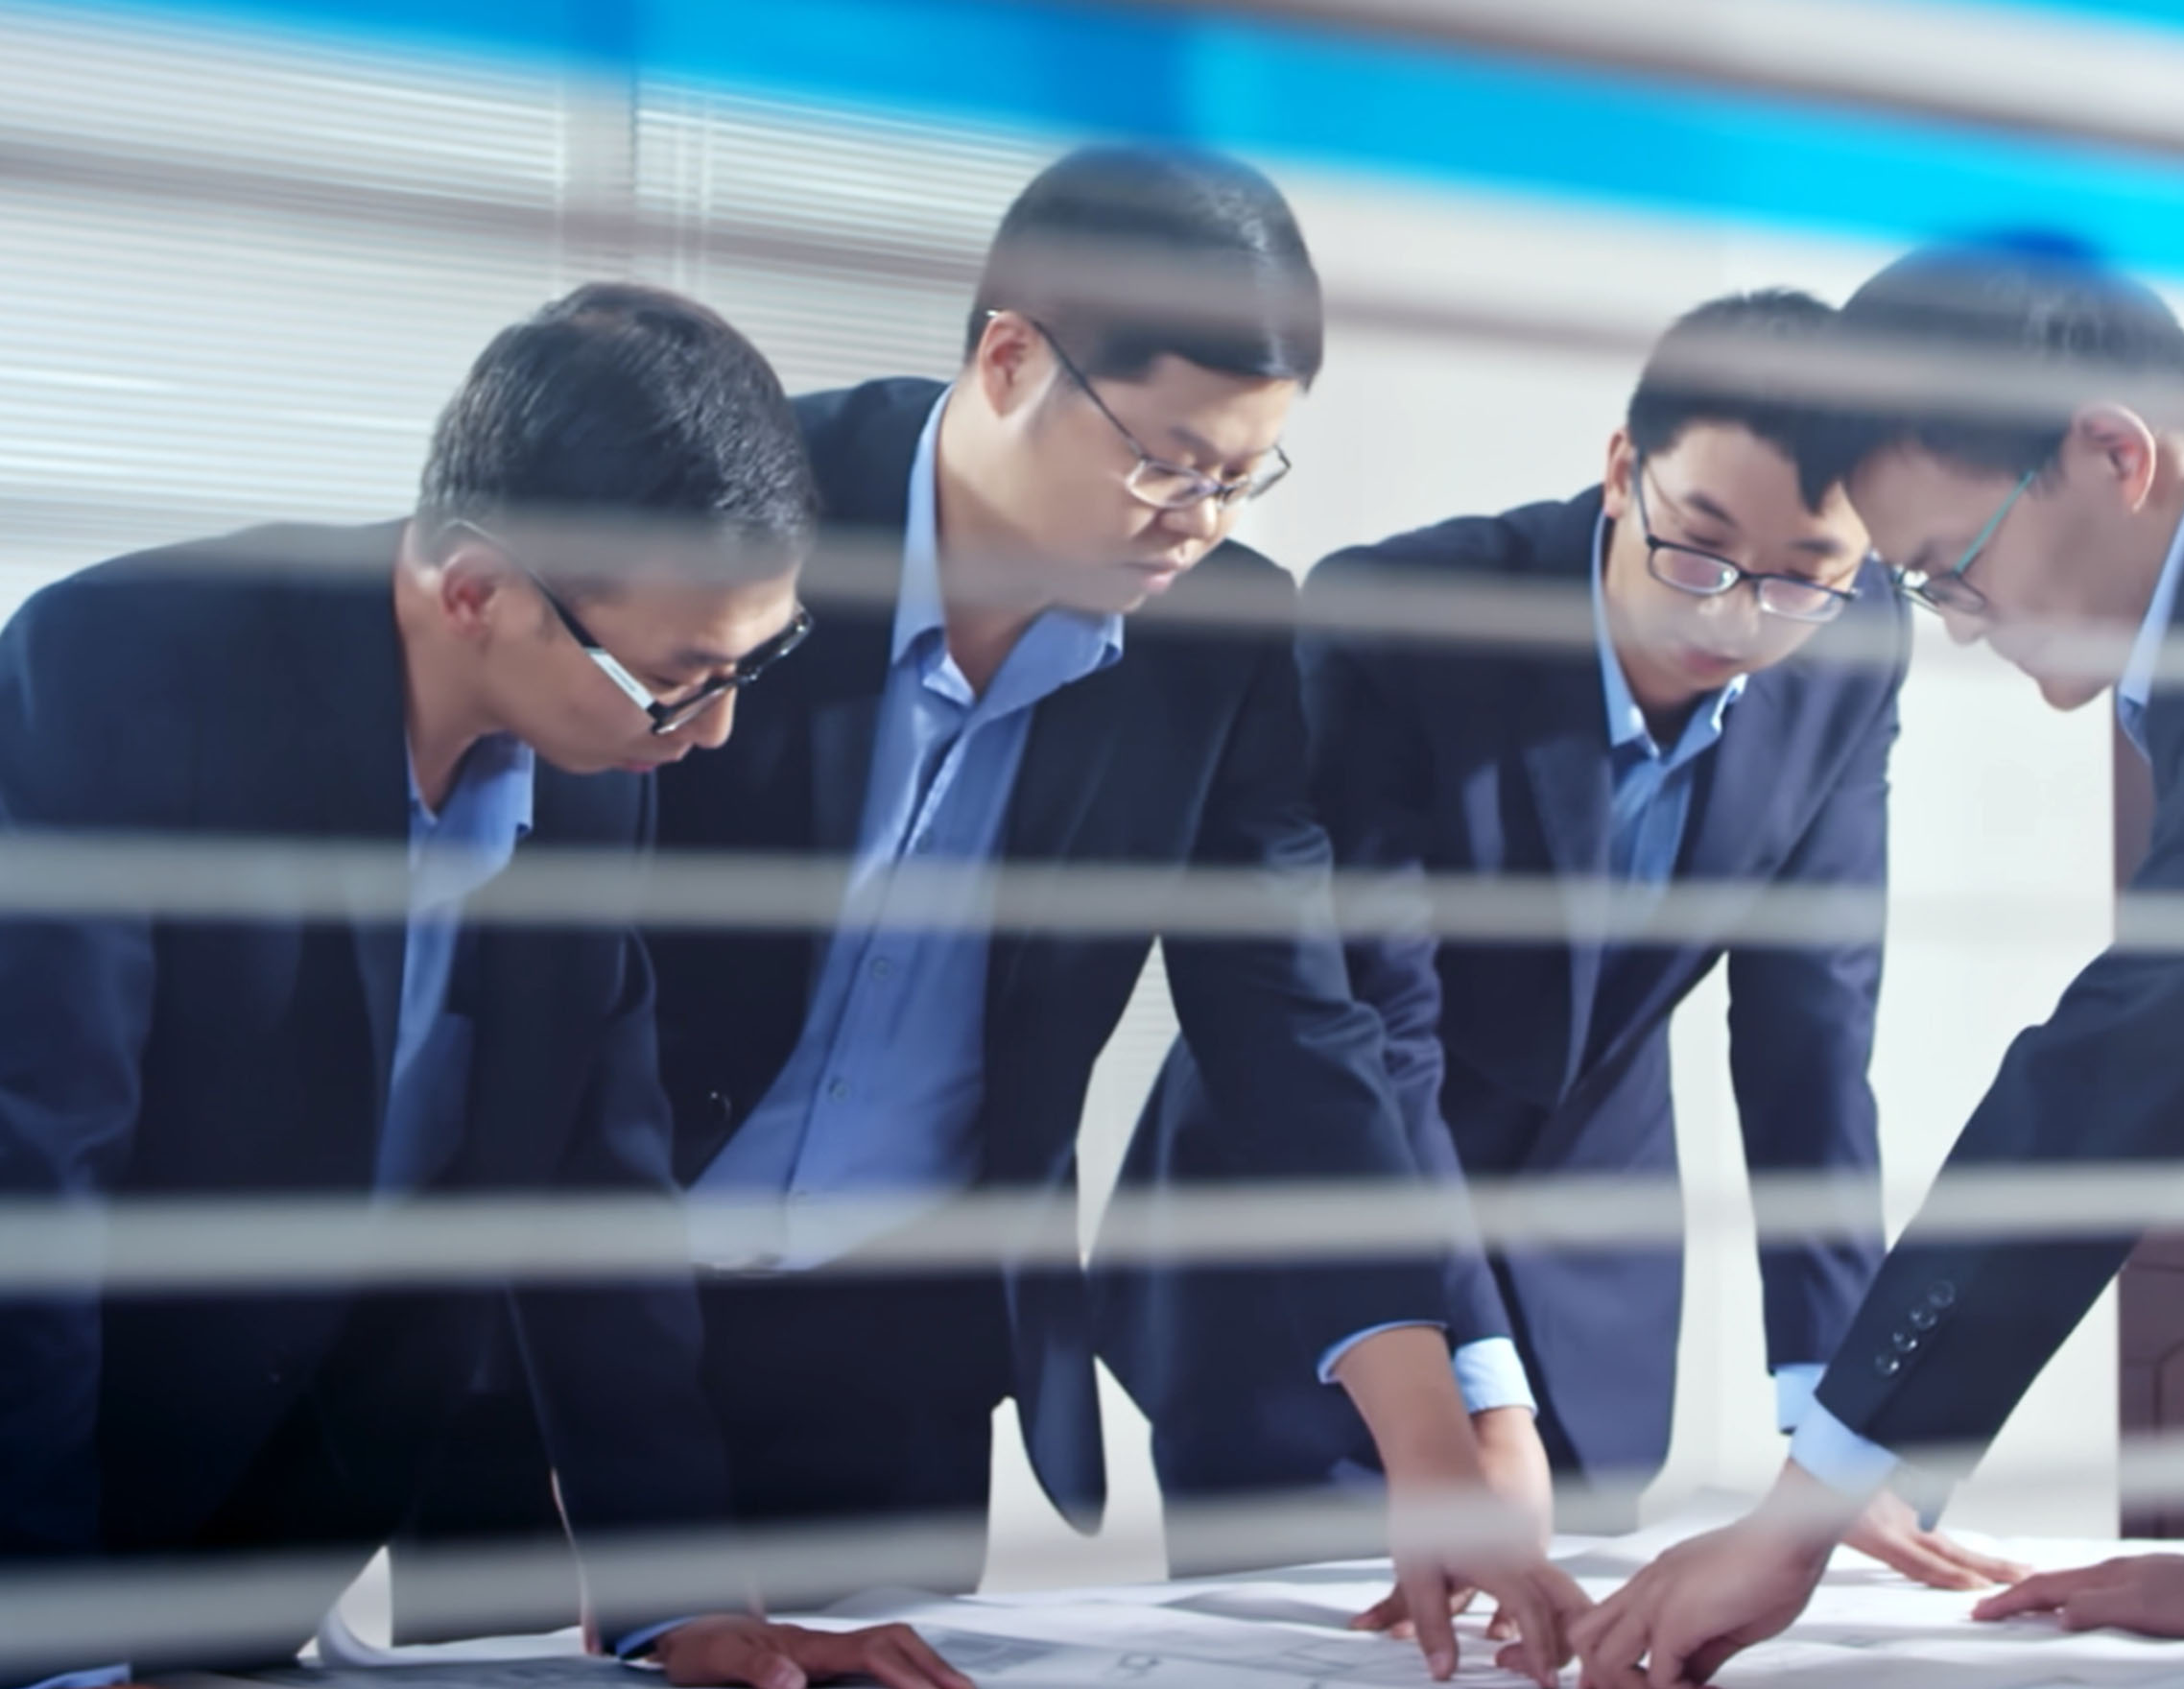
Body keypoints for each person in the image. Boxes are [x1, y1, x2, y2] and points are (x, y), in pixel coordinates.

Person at [622, 145, 1584, 1679]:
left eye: (1240, 477)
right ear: (1010, 359)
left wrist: (1427, 1441)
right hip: (592, 1325)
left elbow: (1290, 1025)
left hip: (900, 1357)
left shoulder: (1215, 637)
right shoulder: (739, 518)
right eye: (1166, 462)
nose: (1196, 521)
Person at [1573, 246, 2184, 1687]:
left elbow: (2118, 1067)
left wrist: (1802, 1514)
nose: (1962, 621)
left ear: (2110, 454)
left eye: (1952, 569)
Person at [0, 283, 968, 1689]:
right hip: (54, 1495)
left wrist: (681, 1604)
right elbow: (32, 1175)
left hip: (281, 1517)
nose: (712, 731)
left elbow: (598, 1186)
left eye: (746, 667)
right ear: (473, 591)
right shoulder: (123, 668)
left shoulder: (594, 757)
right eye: (681, 678)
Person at [1104, 290, 2022, 1620]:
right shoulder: (1402, 618)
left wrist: (1836, 1424)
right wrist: (1478, 1393)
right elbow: (1377, 1031)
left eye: (1802, 576)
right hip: (1318, 1245)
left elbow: (1811, 1033)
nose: (1736, 616)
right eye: (1698, 547)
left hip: (1591, 1259)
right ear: (1621, 469)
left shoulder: (1852, 643)